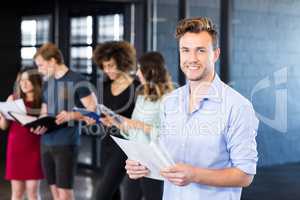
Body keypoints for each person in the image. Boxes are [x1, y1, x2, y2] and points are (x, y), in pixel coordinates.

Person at [125, 17, 259, 200]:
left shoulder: (238, 107)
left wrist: (195, 174)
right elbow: (165, 155)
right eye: (185, 50)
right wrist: (142, 165)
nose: (192, 59)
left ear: (215, 54)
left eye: (201, 51)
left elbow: (245, 175)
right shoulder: (170, 102)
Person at [101, 51, 173, 200]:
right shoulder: (142, 96)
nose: (138, 72)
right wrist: (117, 123)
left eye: (140, 69)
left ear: (151, 72)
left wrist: (139, 125)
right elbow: (133, 131)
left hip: (154, 162)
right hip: (136, 161)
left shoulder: (168, 99)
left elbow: (168, 135)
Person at [32, 42, 97, 200]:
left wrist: (72, 115)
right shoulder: (48, 82)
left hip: (66, 144)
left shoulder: (78, 80)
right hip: (46, 143)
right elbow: (45, 110)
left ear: (53, 61)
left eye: (41, 65)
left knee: (65, 193)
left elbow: (95, 113)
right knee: (54, 191)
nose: (39, 70)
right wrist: (39, 124)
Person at [92, 40, 140, 200]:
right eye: (104, 66)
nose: (107, 70)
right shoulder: (104, 85)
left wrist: (118, 121)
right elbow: (103, 113)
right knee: (113, 193)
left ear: (122, 62)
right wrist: (99, 119)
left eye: (111, 65)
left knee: (102, 192)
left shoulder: (137, 87)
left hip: (126, 144)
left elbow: (140, 120)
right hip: (107, 141)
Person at [0, 67, 44, 200]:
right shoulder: (12, 99)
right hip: (15, 150)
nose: (23, 84)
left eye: (28, 81)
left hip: (35, 149)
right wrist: (2, 115)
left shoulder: (43, 102)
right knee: (17, 193)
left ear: (36, 82)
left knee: (33, 193)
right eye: (21, 80)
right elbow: (3, 126)